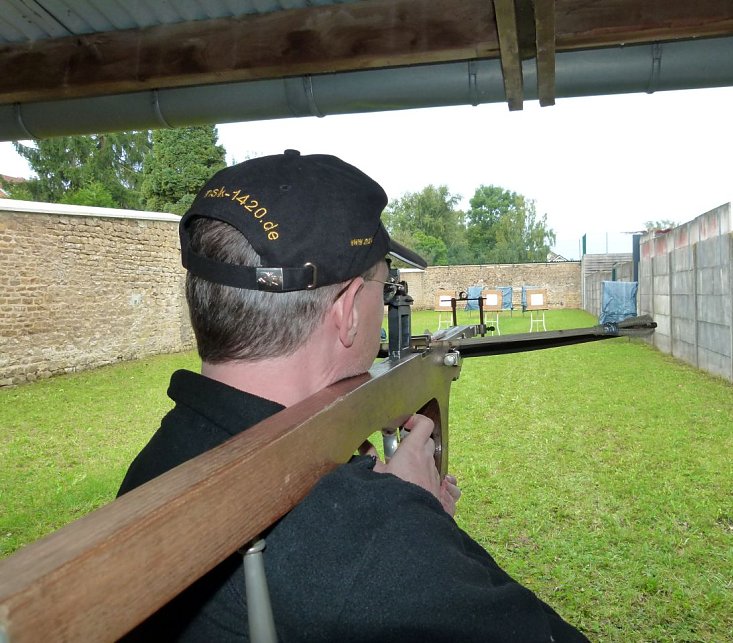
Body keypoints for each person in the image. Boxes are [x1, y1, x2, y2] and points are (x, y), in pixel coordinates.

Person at [118, 150, 588, 642]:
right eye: (381, 290)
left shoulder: (157, 462)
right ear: (348, 313)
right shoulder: (375, 542)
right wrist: (415, 517)